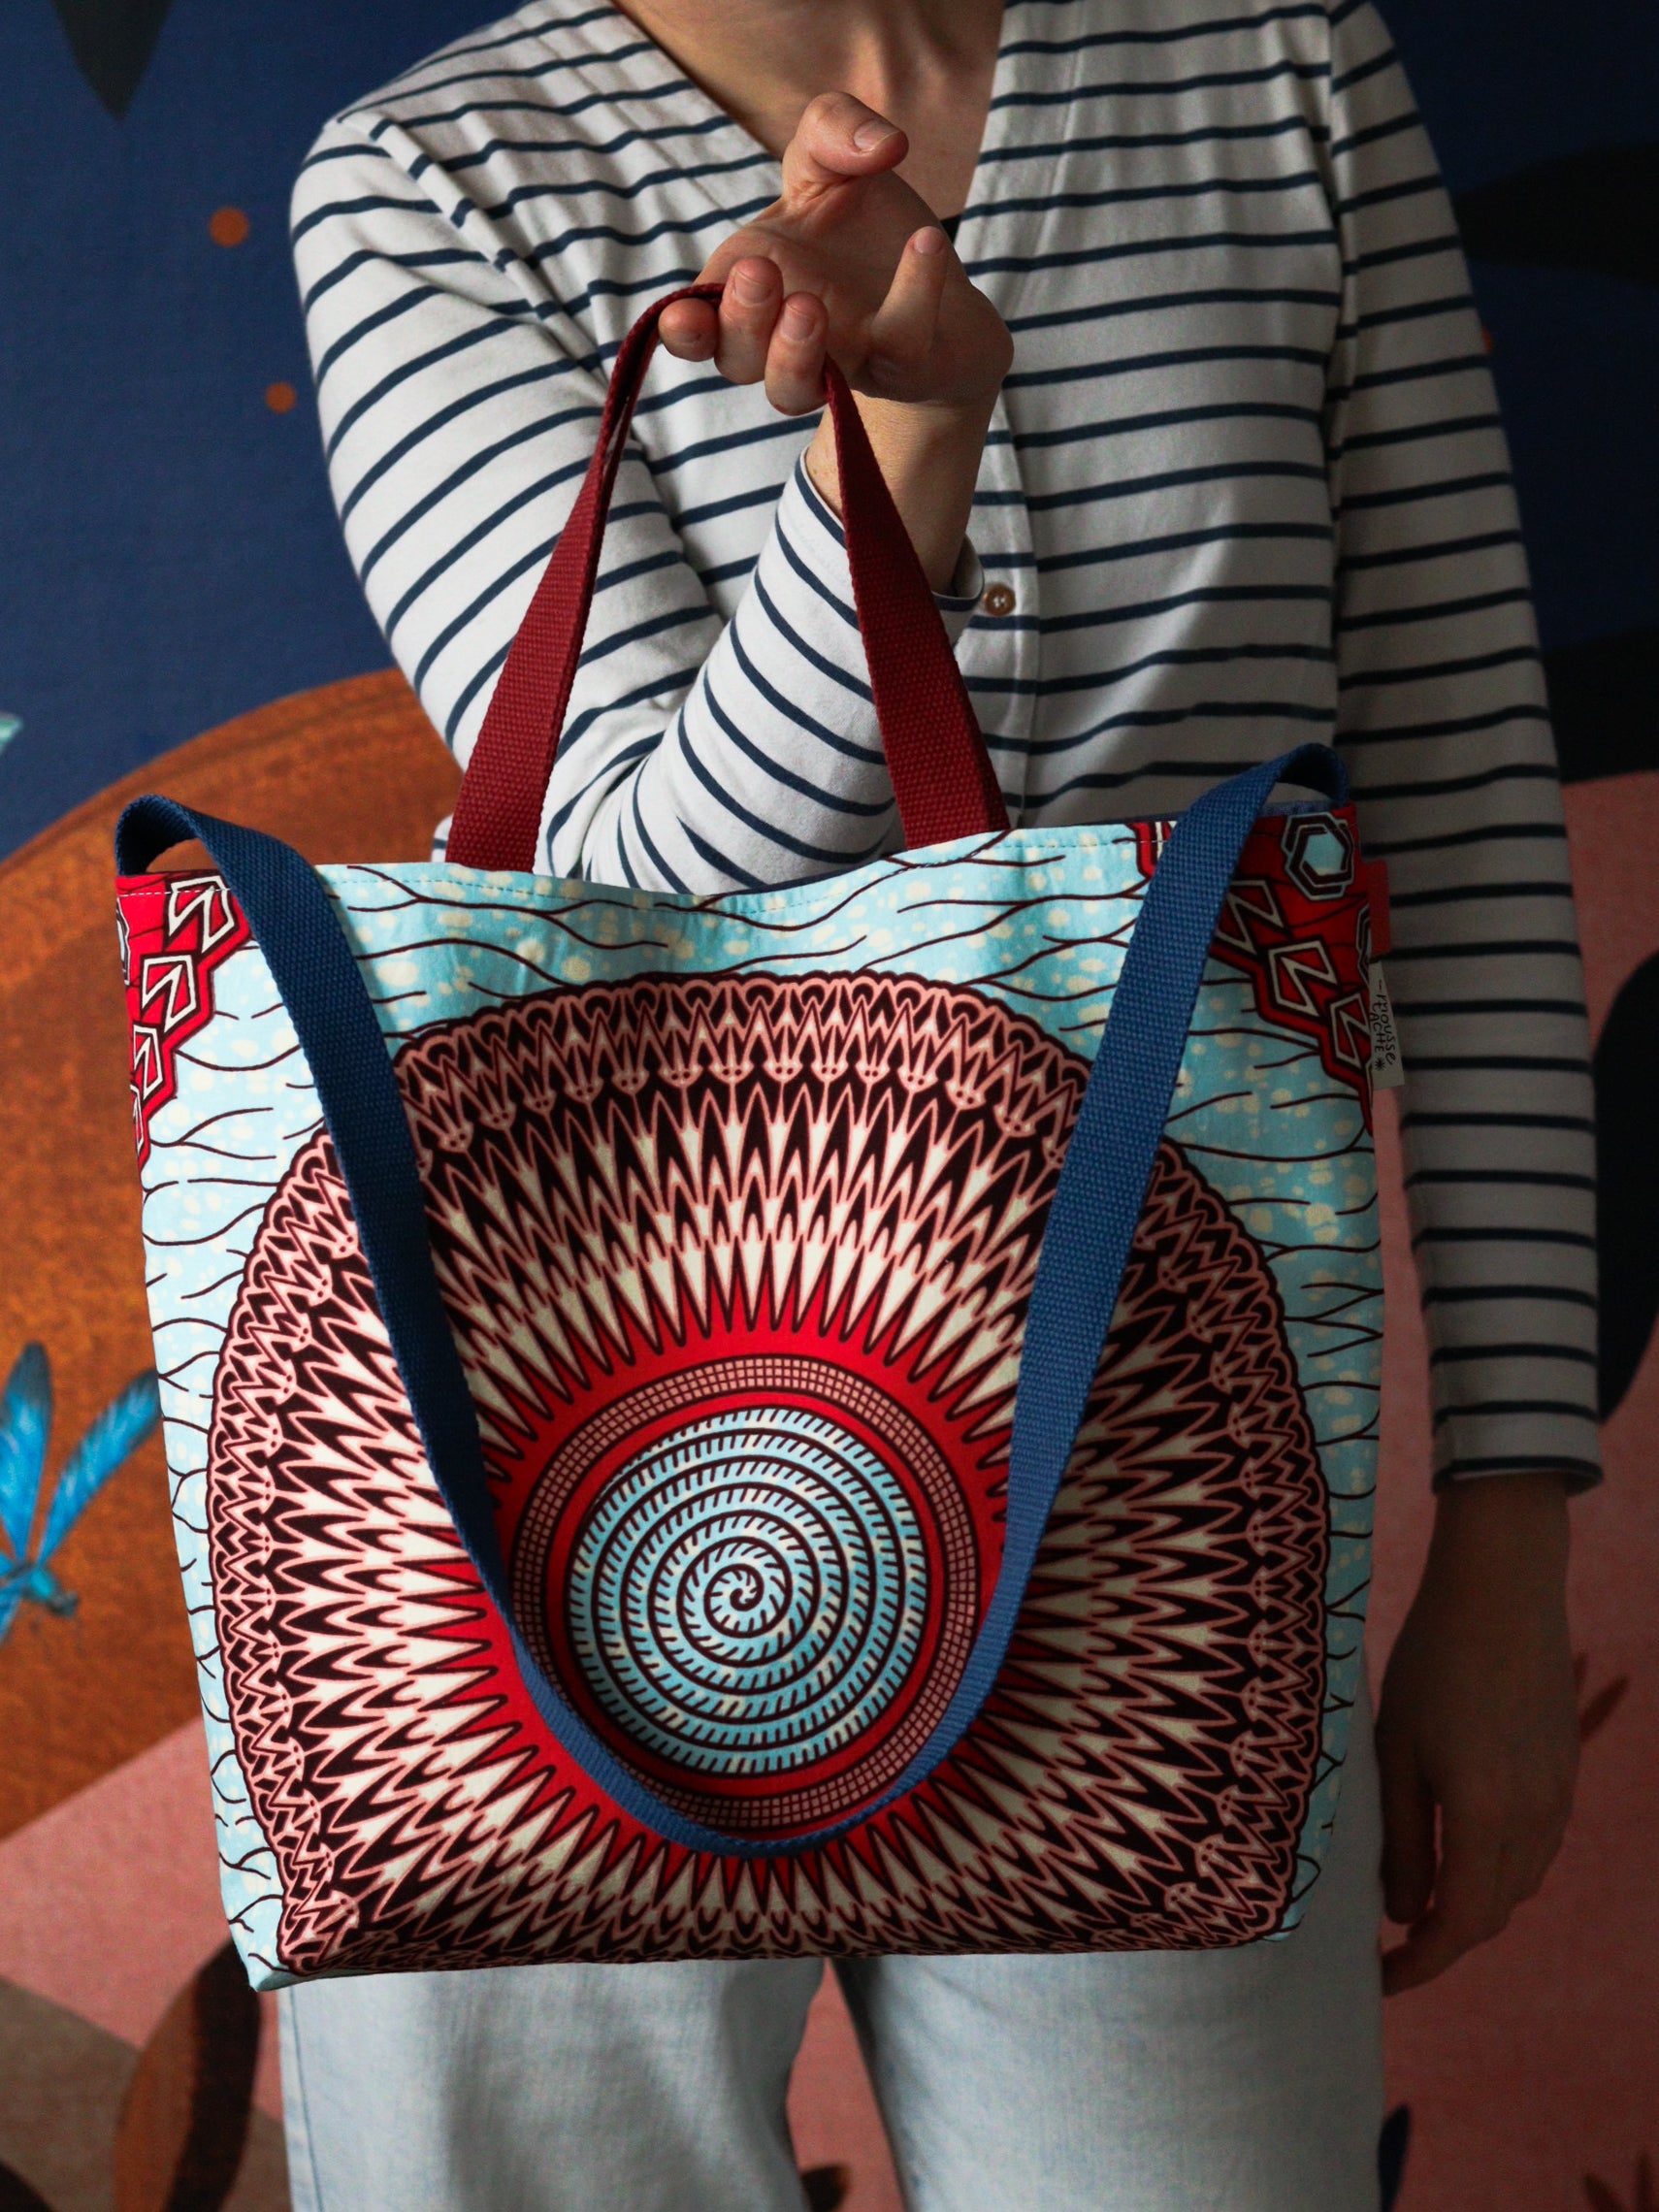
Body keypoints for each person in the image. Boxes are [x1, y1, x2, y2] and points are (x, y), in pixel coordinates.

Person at [284, 2, 1593, 2204]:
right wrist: (896, 452)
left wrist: (1512, 1528)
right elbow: (638, 887)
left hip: (1180, 1473)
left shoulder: (1278, 54)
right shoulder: (437, 172)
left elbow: (1455, 830)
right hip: (538, 1460)